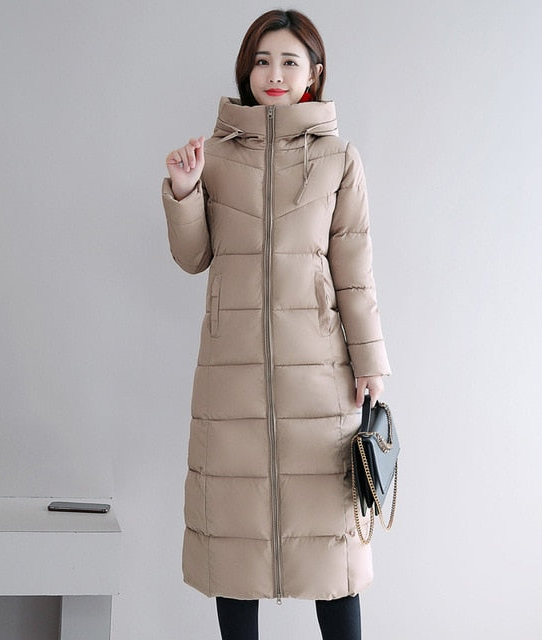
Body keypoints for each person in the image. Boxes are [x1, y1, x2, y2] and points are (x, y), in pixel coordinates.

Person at [162, 9, 391, 640]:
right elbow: (193, 257)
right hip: (231, 381)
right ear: (246, 70)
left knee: (332, 552)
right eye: (262, 60)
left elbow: (354, 271)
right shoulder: (215, 156)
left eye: (290, 61)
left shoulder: (338, 159)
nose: (274, 73)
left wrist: (370, 362)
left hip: (320, 379)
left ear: (313, 74)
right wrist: (184, 191)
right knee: (234, 544)